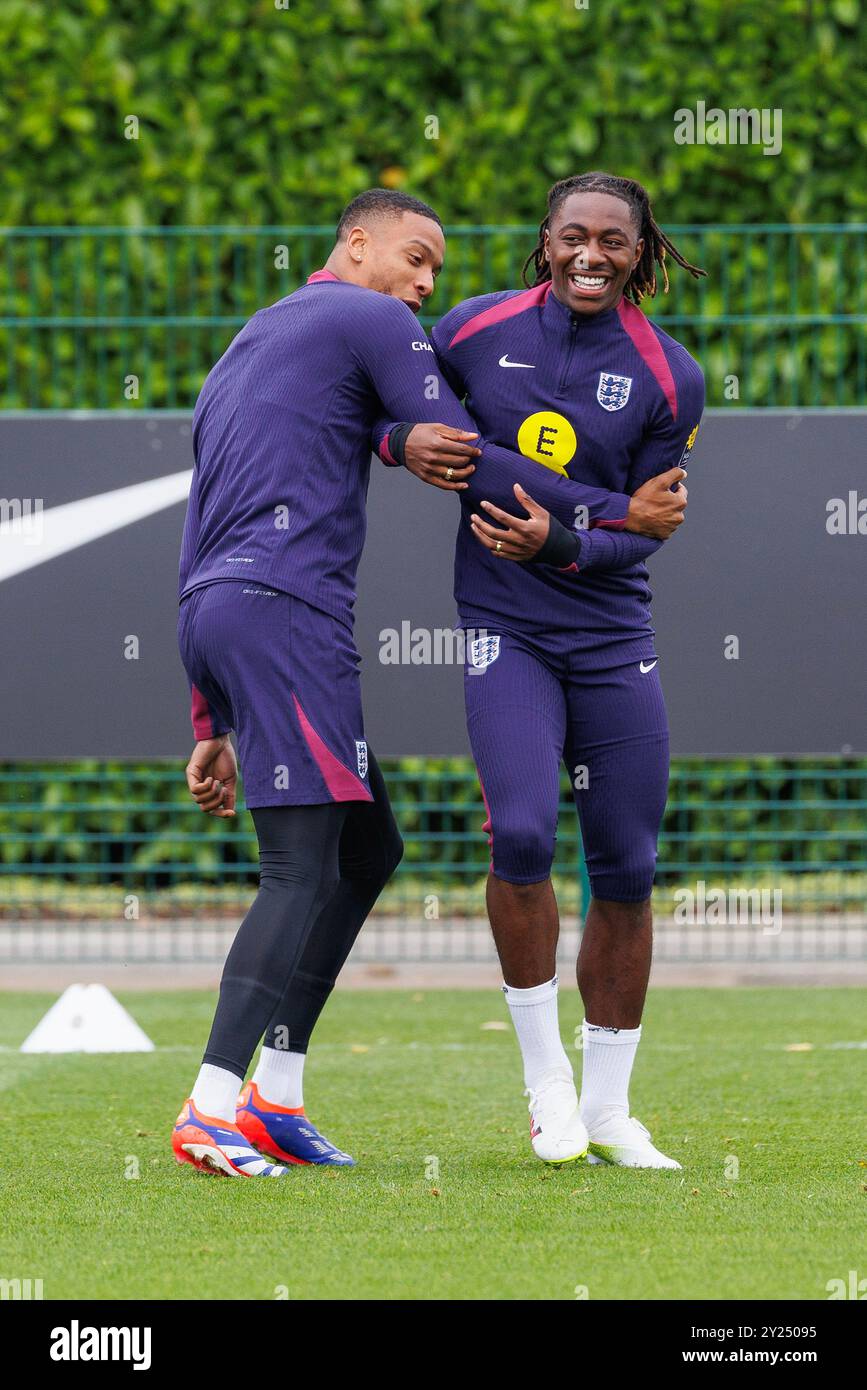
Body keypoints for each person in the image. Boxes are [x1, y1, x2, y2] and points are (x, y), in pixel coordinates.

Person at [172, 187, 682, 1177]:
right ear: (355, 244)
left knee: (369, 848)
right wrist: (622, 514)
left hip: (221, 609)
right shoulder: (372, 316)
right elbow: (463, 453)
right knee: (300, 869)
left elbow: (204, 515)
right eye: (416, 256)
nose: (426, 281)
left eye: (437, 269)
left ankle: (276, 1095)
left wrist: (208, 713)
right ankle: (208, 1106)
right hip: (287, 615)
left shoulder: (255, 335)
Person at [373, 172, 705, 1168]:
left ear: (642, 253)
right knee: (519, 831)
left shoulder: (670, 374)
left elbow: (650, 531)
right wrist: (400, 439)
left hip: (609, 632)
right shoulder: (473, 329)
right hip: (503, 627)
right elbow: (396, 417)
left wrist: (564, 541)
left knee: (629, 863)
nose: (589, 256)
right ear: (545, 242)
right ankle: (546, 1082)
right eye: (572, 236)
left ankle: (609, 1108)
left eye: (612, 241)